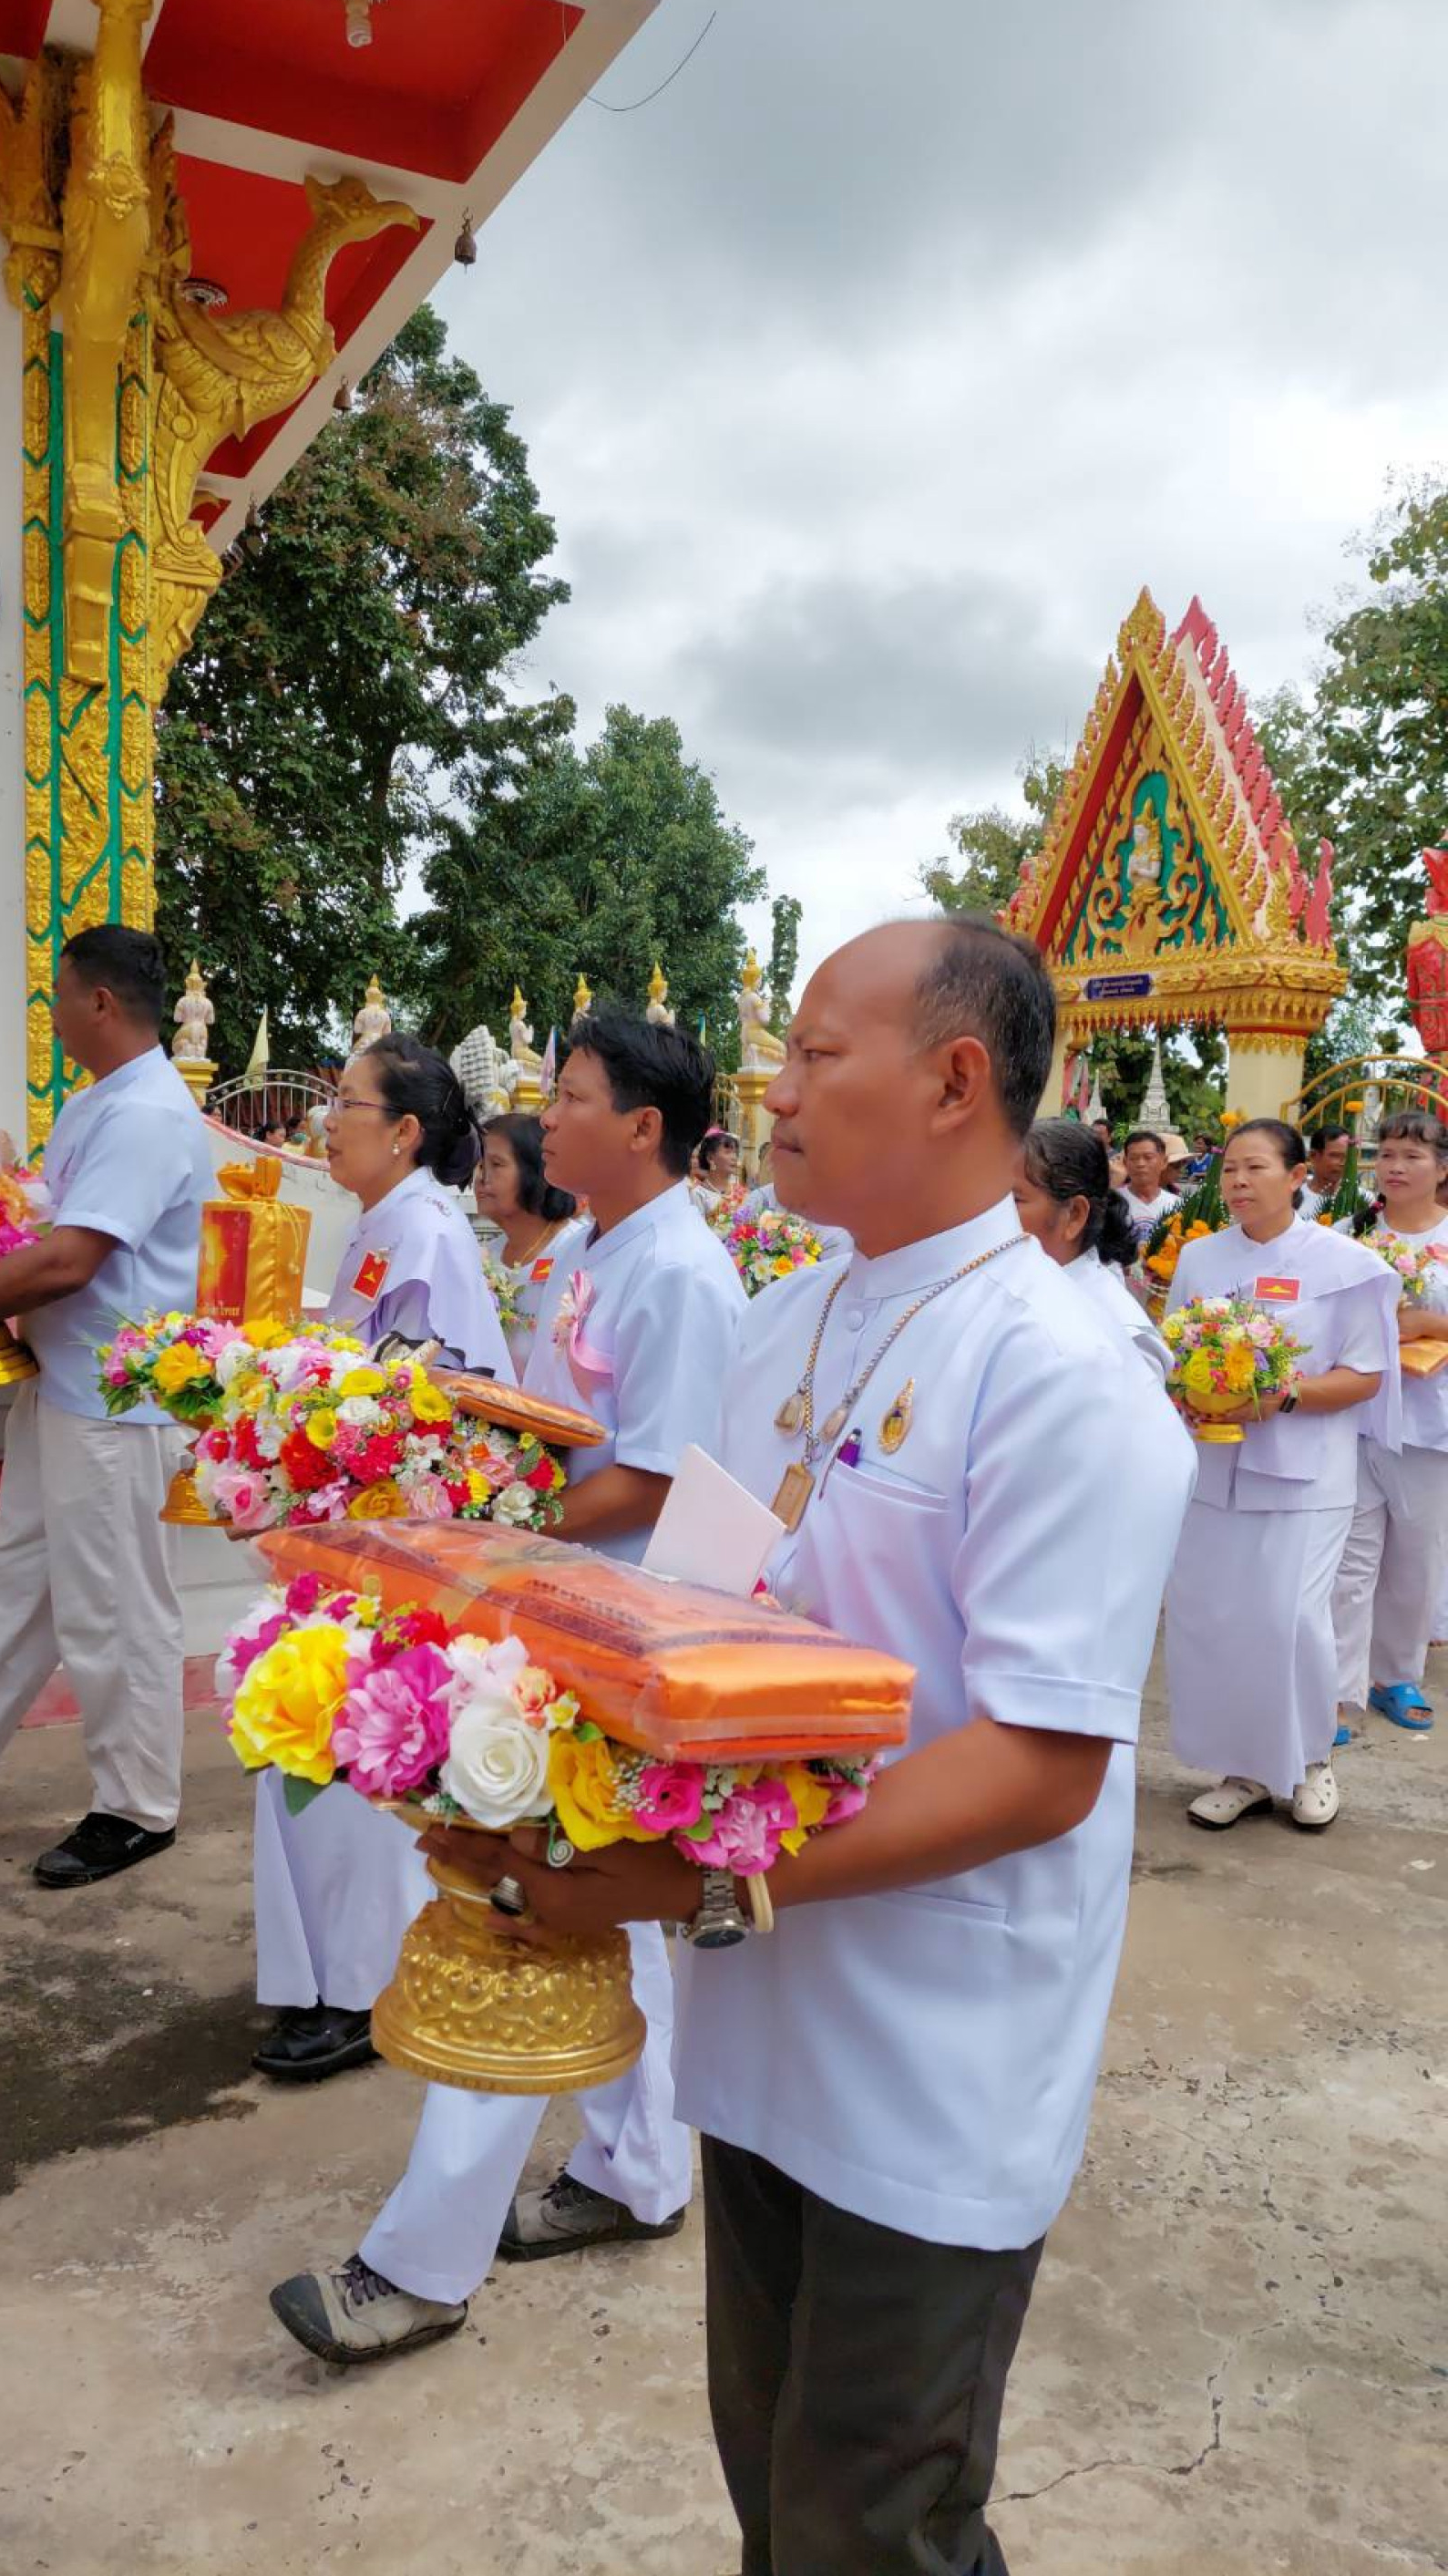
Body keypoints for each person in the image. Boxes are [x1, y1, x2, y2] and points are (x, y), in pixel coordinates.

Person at [415, 918, 1196, 2574]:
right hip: (766, 2015)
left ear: (956, 1082)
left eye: (820, 1053)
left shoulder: (1067, 1372)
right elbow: (690, 1618)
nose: (770, 1087)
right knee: (772, 2477)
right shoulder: (790, 1321)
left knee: (875, 2512)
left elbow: (1045, 1762)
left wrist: (683, 1879)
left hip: (933, 2040)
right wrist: (521, 1770)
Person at [270, 1007, 745, 2365]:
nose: (545, 1115)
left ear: (643, 1126)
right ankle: (639, 2168)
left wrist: (494, 1536)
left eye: (575, 1093)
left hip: (619, 1622)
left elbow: (649, 1478)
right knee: (590, 1909)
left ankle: (420, 2263)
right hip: (560, 1599)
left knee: (513, 1911)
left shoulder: (684, 1276)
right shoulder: (597, 1248)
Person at [252, 1036, 513, 2084]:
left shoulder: (428, 1235)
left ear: (403, 1131)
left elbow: (425, 1404)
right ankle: (330, 1971)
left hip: (396, 1543)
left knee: (353, 1760)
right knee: (310, 1747)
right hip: (349, 1531)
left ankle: (363, 1984)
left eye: (347, 1103)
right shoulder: (387, 1224)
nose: (328, 1119)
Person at [0, 926, 212, 1886]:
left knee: (115, 1609)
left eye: (60, 996)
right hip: (67, 1387)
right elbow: (49, 1215)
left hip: (122, 1406)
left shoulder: (151, 1113)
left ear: (102, 1005)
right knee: (17, 1585)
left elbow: (73, 1257)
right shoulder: (97, 1104)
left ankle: (137, 1805)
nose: (53, 1014)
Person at [1165, 1118, 1399, 1832]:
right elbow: (1172, 1351)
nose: (1237, 1182)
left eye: (1255, 1167)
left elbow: (1364, 1375)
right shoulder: (1199, 1258)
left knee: (1291, 1620)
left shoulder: (1346, 1264)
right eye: (1230, 1168)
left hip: (1307, 1474)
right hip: (1216, 1468)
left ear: (1298, 1177)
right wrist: (1187, 1391)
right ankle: (1245, 1770)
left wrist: (1283, 1396)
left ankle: (1312, 1760)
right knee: (1220, 1620)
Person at [1331, 1110, 1448, 1736]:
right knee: (1350, 1560)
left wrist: (1432, 1326)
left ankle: (1395, 1675)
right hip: (1355, 1418)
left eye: (1413, 1156)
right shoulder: (1354, 1233)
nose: (1397, 1166)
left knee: (1416, 1558)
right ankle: (1338, 1690)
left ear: (1442, 1169)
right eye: (1388, 1153)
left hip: (1431, 1426)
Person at [1014, 1118, 1173, 1382]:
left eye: (1014, 1199)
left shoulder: (1122, 1340)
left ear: (1074, 1215)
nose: (991, 1215)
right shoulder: (1020, 1287)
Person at [474, 1112, 580, 1381]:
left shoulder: (574, 1249)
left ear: (535, 1170)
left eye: (496, 1164)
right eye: (479, 1164)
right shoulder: (486, 1255)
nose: (481, 1177)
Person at [1117, 1127, 1178, 1252]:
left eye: (1148, 1157)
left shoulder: (1178, 1205)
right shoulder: (1113, 1203)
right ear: (1125, 1163)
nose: (1140, 1164)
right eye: (1133, 1158)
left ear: (1164, 1162)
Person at [1298, 1124, 1350, 1217]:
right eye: (1335, 1155)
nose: (1342, 1163)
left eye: (1347, 1157)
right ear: (1313, 1156)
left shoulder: (1362, 1199)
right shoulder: (1295, 1199)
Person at [690, 1125, 743, 1217]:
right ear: (710, 1158)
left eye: (735, 1153)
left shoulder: (741, 1192)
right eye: (728, 1152)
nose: (734, 1157)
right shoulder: (699, 1195)